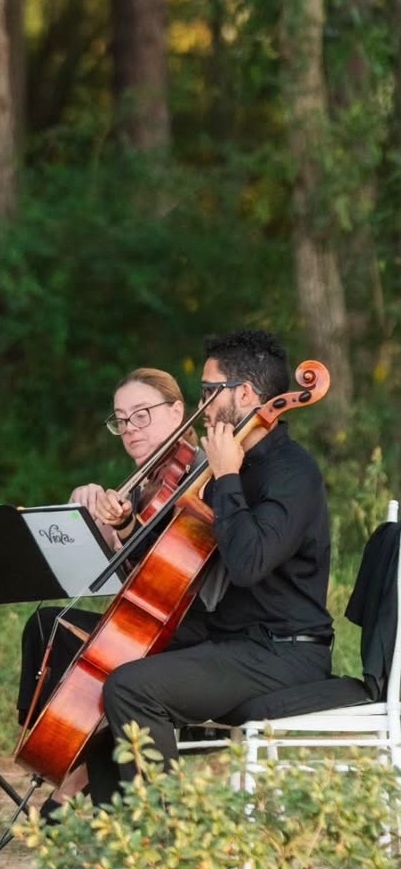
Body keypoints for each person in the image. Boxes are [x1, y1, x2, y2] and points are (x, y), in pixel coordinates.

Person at [83, 329, 334, 804]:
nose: (201, 406)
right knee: (103, 654)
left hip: (284, 652)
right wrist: (124, 526)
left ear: (244, 393)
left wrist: (227, 476)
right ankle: (108, 821)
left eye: (207, 392)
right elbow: (178, 555)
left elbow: (248, 563)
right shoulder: (232, 461)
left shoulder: (291, 472)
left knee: (132, 688)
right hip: (230, 636)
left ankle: (168, 840)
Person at [16, 367, 196, 810]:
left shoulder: (199, 476)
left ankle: (74, 778)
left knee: (77, 644)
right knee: (48, 625)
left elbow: (170, 562)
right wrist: (94, 523)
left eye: (142, 415)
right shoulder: (147, 483)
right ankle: (58, 754)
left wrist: (126, 526)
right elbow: (123, 571)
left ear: (178, 412)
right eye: (121, 420)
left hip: (188, 628)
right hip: (144, 617)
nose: (131, 430)